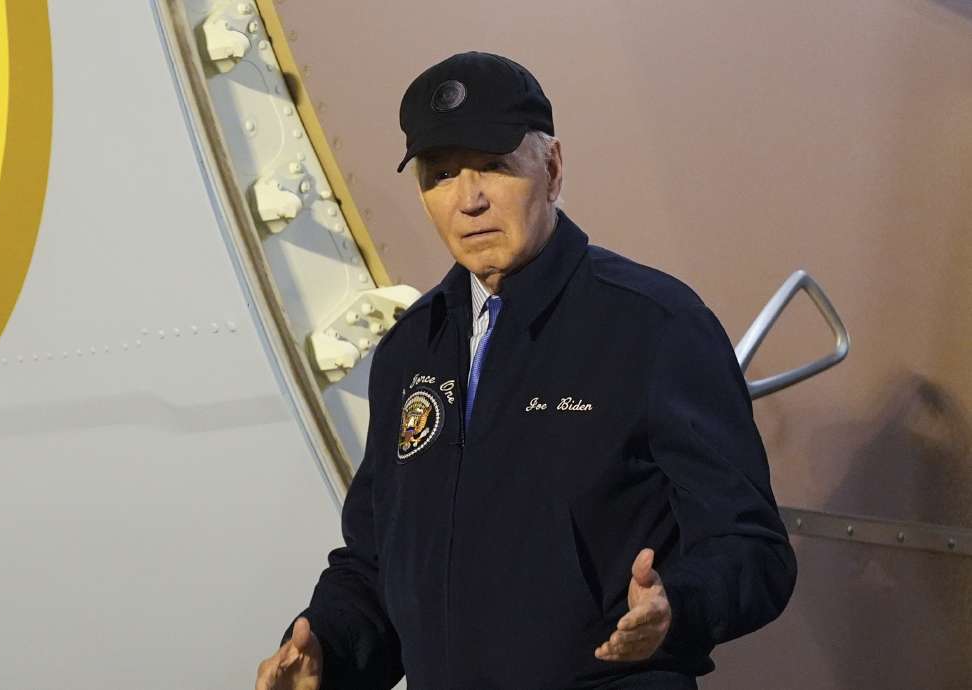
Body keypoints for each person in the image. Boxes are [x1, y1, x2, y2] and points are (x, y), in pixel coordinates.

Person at [254, 51, 797, 690]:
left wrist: (676, 605)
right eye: (441, 174)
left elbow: (753, 549)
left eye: (493, 166)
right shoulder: (409, 350)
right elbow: (378, 566)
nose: (469, 200)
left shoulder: (654, 325)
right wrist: (326, 649)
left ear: (553, 168)